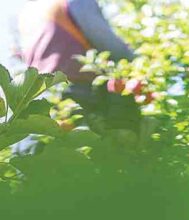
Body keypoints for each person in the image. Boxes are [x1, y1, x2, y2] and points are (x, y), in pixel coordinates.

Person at [13, 0, 139, 153]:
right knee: (100, 155)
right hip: (78, 89)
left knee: (37, 159)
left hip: (39, 94)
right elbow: (106, 41)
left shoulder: (28, 13)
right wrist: (138, 64)